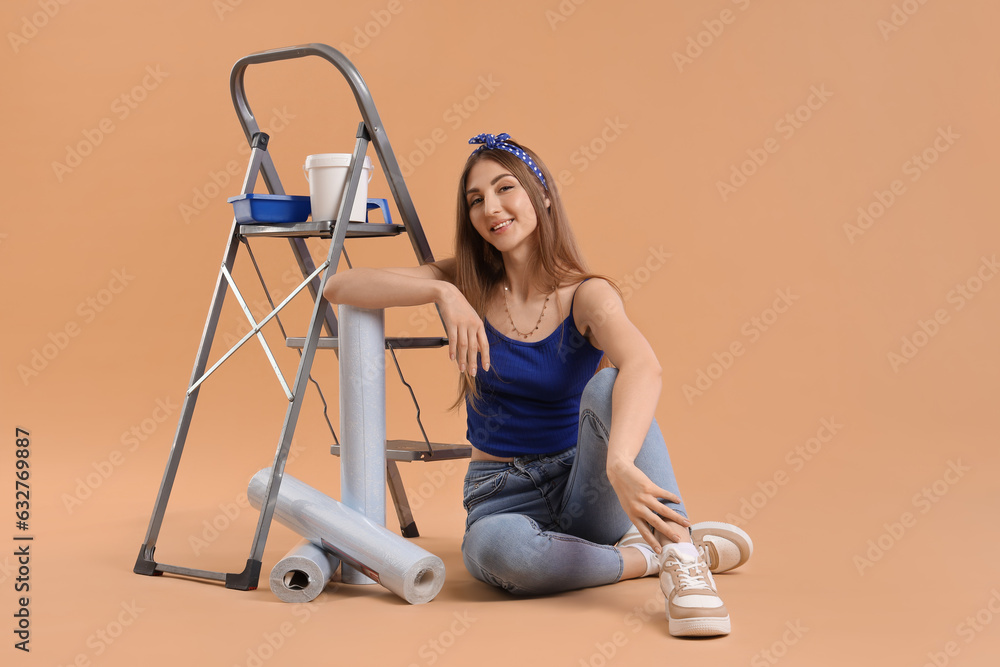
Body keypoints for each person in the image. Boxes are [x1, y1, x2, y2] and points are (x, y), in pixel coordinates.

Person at [323, 132, 752, 637]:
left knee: (610, 383)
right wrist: (440, 290)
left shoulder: (587, 295)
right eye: (476, 200)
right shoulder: (467, 282)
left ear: (542, 194)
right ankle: (649, 557)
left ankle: (682, 558)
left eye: (506, 188)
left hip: (588, 483)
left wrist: (617, 463)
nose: (492, 208)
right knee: (497, 556)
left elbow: (644, 365)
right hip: (500, 494)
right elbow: (340, 286)